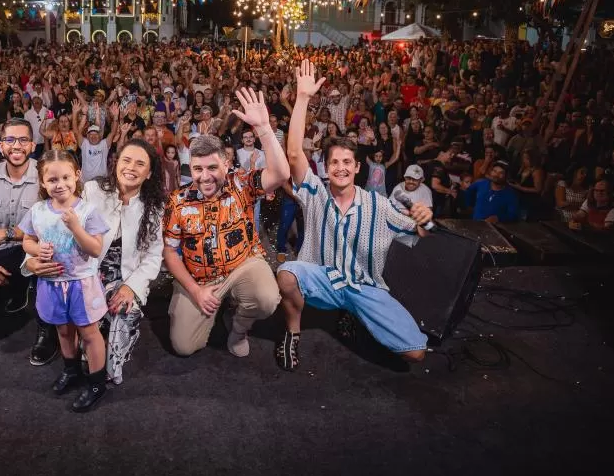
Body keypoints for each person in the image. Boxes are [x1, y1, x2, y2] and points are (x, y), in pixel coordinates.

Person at [275, 60, 433, 372]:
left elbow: (421, 235)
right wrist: (302, 98)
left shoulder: (380, 205)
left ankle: (357, 315)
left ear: (357, 168)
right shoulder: (317, 194)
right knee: (286, 274)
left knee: (416, 354)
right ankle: (292, 332)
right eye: (334, 162)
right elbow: (293, 154)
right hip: (325, 281)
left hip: (366, 287)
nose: (341, 168)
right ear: (327, 168)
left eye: (348, 162)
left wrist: (426, 219)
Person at [162, 88, 289, 359]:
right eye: (198, 169)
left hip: (242, 264)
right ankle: (215, 304)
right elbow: (170, 252)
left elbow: (280, 173)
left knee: (267, 299)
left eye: (212, 168)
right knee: (183, 347)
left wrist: (264, 128)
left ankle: (239, 328)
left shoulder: (241, 183)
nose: (205, 177)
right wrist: (195, 291)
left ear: (227, 164)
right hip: (199, 278)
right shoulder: (178, 201)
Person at [27, 139, 166, 385]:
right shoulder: (91, 190)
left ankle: (100, 360)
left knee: (111, 359)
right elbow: (50, 224)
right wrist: (32, 259)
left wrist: (130, 287)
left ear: (149, 172)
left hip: (123, 280)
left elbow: (154, 257)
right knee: (74, 333)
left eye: (140, 163)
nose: (131, 167)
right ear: (115, 163)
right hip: (82, 273)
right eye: (126, 160)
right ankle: (56, 339)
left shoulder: (154, 208)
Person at [0, 118, 59, 367]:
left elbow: (52, 227)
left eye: (24, 139)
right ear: (1, 146)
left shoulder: (46, 177)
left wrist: (3, 234)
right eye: (10, 140)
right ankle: (13, 289)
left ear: (33, 145)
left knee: (46, 258)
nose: (17, 145)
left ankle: (47, 332)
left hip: (34, 250)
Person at [19, 150, 111, 412]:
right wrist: (37, 251)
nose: (59, 185)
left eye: (66, 177)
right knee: (62, 329)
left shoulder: (87, 211)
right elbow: (27, 239)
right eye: (52, 179)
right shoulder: (37, 210)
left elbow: (94, 249)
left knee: (89, 333)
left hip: (81, 283)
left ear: (77, 176)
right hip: (51, 283)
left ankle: (96, 383)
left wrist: (76, 227)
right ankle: (71, 370)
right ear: (42, 182)